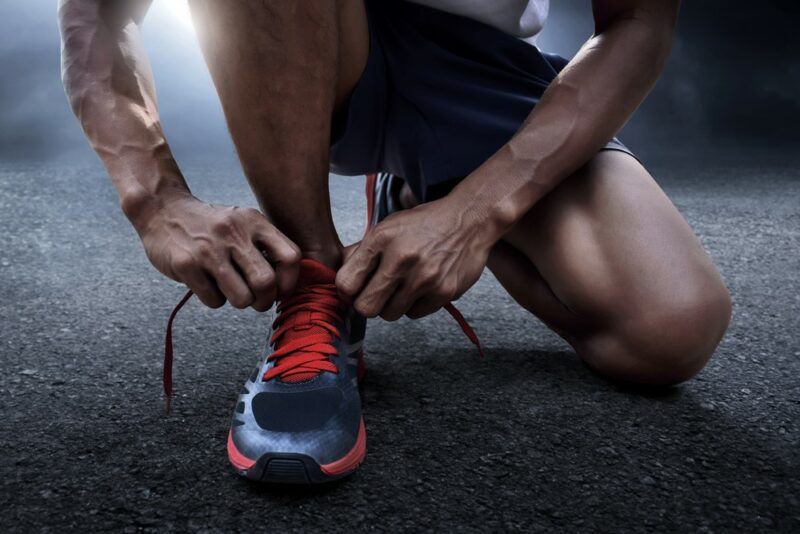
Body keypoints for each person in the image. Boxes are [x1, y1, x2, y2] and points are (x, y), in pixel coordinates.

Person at [59, 0, 731, 484]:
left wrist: (475, 212)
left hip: (479, 63)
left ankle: (429, 189)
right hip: (296, 36)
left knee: (668, 330)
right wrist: (155, 200)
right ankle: (318, 287)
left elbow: (640, 21)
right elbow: (97, 10)